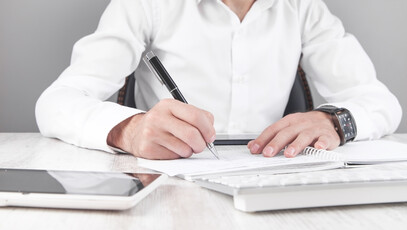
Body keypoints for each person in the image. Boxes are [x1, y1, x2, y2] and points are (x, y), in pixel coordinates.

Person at [36, 0, 402, 160]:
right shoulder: (145, 3)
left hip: (274, 190)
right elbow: (56, 103)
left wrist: (334, 121)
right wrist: (129, 130)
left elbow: (381, 102)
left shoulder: (303, 7)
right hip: (165, 189)